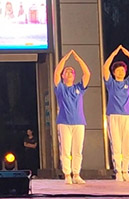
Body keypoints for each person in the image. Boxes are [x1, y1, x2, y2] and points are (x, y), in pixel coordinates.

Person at [102, 44, 129, 182]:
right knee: (116, 144)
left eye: (122, 70)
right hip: (113, 115)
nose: (120, 72)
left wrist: (128, 54)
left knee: (127, 143)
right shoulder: (111, 83)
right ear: (114, 73)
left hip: (128, 115)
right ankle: (118, 171)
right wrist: (114, 53)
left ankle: (126, 170)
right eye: (117, 70)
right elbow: (105, 67)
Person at [54, 49, 90, 184]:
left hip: (79, 122)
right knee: (65, 149)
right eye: (66, 72)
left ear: (74, 76)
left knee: (77, 150)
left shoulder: (79, 88)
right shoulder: (60, 88)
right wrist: (65, 59)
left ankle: (76, 174)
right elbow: (56, 72)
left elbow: (87, 74)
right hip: (64, 122)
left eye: (71, 72)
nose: (69, 73)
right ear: (63, 76)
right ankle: (67, 174)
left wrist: (78, 59)